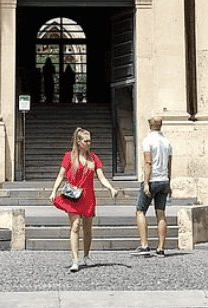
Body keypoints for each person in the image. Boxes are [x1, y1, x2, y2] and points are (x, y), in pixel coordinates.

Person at [50, 127, 119, 272]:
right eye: (86, 141)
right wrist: (54, 190)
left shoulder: (93, 158)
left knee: (87, 228)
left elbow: (101, 177)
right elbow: (61, 175)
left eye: (90, 141)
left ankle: (86, 256)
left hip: (88, 196)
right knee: (75, 227)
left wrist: (111, 188)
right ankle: (75, 260)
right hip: (73, 196)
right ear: (79, 141)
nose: (89, 143)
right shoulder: (69, 156)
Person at [133, 115, 173, 256]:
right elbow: (169, 165)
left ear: (150, 124)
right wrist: (170, 182)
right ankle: (161, 248)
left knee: (140, 211)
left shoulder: (147, 141)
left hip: (153, 180)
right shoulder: (167, 142)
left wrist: (145, 183)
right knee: (161, 213)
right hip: (164, 180)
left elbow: (148, 162)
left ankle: (144, 245)